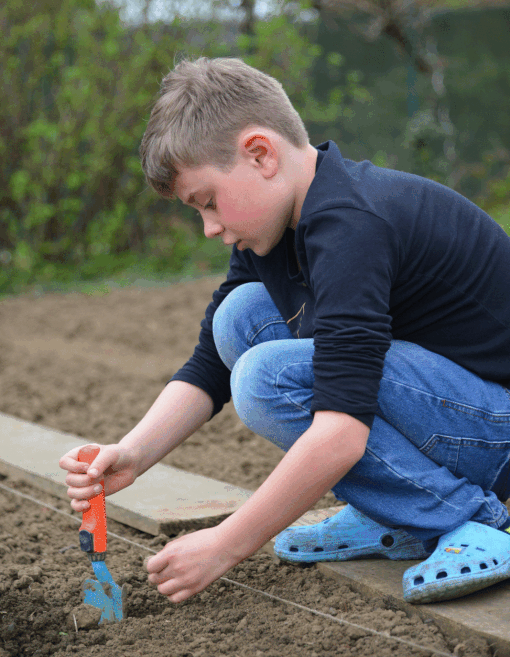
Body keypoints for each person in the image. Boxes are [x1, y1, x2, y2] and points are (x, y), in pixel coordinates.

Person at [60, 57, 510, 607]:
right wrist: (132, 454)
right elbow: (210, 364)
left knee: (265, 379)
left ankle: (472, 520)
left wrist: (228, 543)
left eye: (208, 202)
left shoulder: (351, 227)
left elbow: (341, 430)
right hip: (451, 411)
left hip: (498, 428)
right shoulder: (277, 230)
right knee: (240, 319)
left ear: (260, 154)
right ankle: (395, 510)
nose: (210, 228)